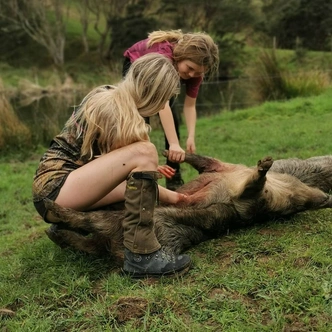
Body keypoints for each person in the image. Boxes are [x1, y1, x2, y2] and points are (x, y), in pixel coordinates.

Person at [32, 53, 191, 278]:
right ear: (154, 93)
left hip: (58, 194)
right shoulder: (114, 110)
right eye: (165, 98)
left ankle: (68, 228)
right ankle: (142, 255)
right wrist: (171, 196)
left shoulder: (110, 95)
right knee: (145, 152)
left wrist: (172, 197)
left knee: (131, 193)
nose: (163, 105)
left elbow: (122, 183)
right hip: (57, 189)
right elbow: (128, 174)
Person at [123, 29, 219, 190]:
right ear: (180, 57)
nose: (192, 74)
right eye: (189, 68)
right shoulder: (165, 58)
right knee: (139, 120)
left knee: (173, 122)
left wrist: (191, 136)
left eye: (198, 72)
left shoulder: (195, 73)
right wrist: (174, 143)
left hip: (168, 75)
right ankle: (136, 175)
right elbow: (163, 105)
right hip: (136, 64)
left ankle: (173, 179)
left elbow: (189, 105)